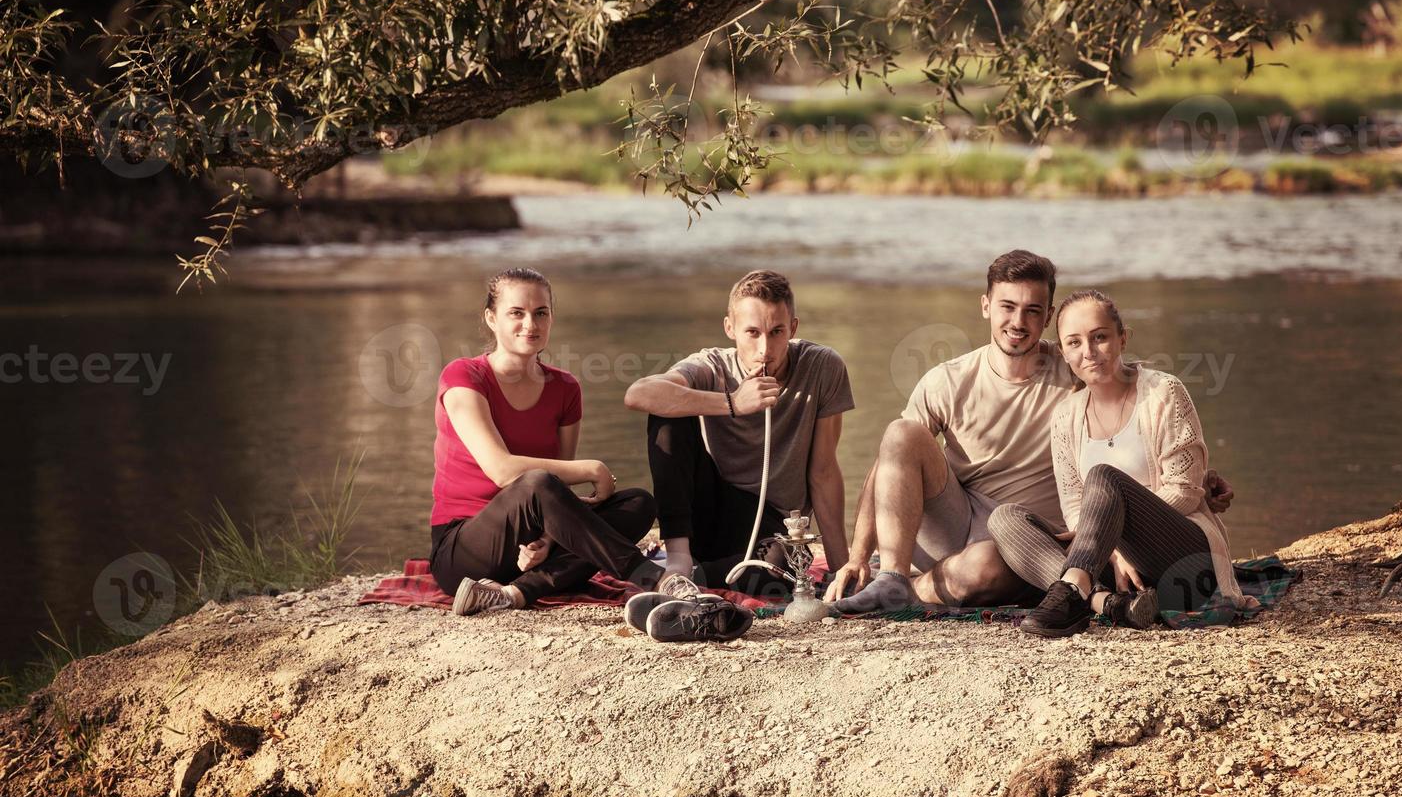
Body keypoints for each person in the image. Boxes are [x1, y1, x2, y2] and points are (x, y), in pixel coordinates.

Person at [825, 250, 1234, 614]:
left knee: (985, 563)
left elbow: (1138, 395)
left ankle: (917, 590)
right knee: (900, 433)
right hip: (955, 517)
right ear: (986, 306)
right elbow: (887, 466)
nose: (1018, 322)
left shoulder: (1074, 367)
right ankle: (890, 576)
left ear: (1049, 314)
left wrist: (1200, 478)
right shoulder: (947, 381)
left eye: (1033, 310)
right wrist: (858, 554)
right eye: (1007, 306)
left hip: (1025, 540)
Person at [986, 289, 1257, 638]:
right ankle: (1108, 604)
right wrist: (1109, 552)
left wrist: (1116, 538)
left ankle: (1075, 593)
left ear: (1122, 338)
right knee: (1005, 518)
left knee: (1103, 477)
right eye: (1074, 342)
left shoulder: (1164, 393)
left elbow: (1187, 492)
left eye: (1100, 337)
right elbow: (1072, 503)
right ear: (1063, 351)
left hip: (1183, 556)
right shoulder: (1065, 416)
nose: (1089, 352)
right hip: (1107, 562)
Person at [429, 267, 662, 615]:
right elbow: (502, 471)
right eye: (516, 313)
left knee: (637, 504)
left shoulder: (565, 388)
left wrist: (548, 540)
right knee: (535, 481)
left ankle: (514, 594)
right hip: (464, 549)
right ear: (492, 319)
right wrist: (590, 468)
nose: (530, 324)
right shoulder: (464, 376)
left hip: (530, 547)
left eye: (541, 313)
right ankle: (654, 580)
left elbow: (559, 496)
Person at [624, 270, 854, 600]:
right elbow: (638, 394)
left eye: (777, 332)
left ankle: (688, 579)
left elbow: (824, 471)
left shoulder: (823, 367)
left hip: (772, 525)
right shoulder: (711, 366)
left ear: (793, 327)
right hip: (707, 509)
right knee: (666, 408)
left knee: (785, 565)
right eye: (752, 333)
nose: (765, 348)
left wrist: (839, 568)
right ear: (730, 329)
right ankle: (677, 560)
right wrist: (733, 402)